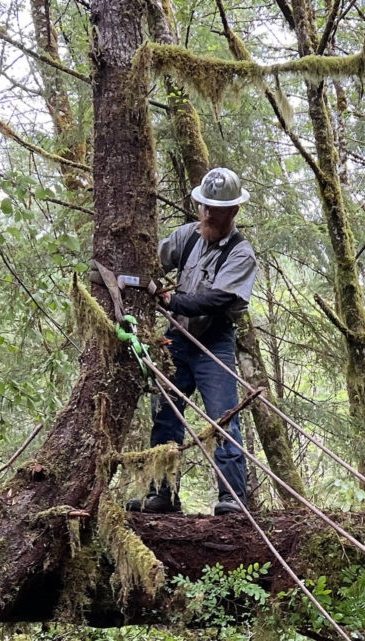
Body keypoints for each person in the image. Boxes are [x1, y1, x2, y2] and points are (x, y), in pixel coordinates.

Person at [129, 166, 257, 516]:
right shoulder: (187, 236)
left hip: (214, 341)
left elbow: (218, 299)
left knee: (223, 418)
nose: (207, 215)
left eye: (215, 210)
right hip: (175, 339)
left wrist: (170, 300)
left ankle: (232, 496)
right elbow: (151, 259)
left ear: (233, 211)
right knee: (166, 415)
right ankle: (163, 494)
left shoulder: (241, 254)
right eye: (204, 207)